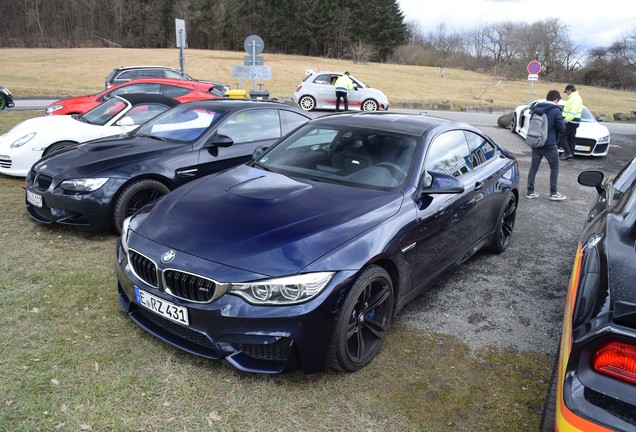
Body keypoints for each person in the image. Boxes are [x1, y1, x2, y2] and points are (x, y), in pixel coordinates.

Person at [527, 90, 567, 201]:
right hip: (549, 145)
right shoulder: (556, 111)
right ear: (556, 100)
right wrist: (563, 123)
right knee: (554, 167)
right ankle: (553, 192)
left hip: (536, 143)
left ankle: (530, 191)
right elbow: (561, 129)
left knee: (534, 167)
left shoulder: (536, 109)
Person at [558, 84, 583, 160]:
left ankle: (567, 152)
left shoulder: (574, 99)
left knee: (561, 135)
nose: (566, 93)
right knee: (571, 138)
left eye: (566, 92)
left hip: (571, 121)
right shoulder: (576, 98)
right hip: (574, 121)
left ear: (569, 90)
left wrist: (566, 120)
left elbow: (573, 112)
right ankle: (570, 154)